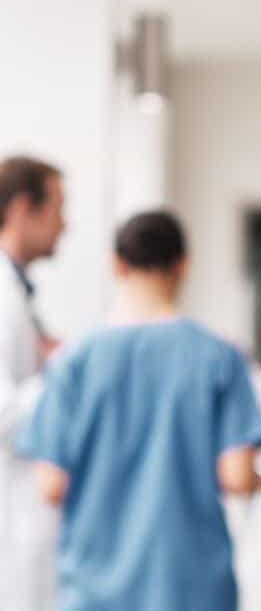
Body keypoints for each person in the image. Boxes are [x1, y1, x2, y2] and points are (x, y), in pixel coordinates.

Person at [17, 210, 261, 610]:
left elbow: (50, 484)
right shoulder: (219, 356)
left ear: (117, 264)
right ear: (183, 265)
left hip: (94, 589)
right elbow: (237, 477)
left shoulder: (74, 361)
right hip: (192, 586)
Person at [0, 154, 65, 610]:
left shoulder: (16, 292)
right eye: (59, 209)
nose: (66, 225)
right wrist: (67, 369)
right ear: (24, 209)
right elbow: (4, 414)